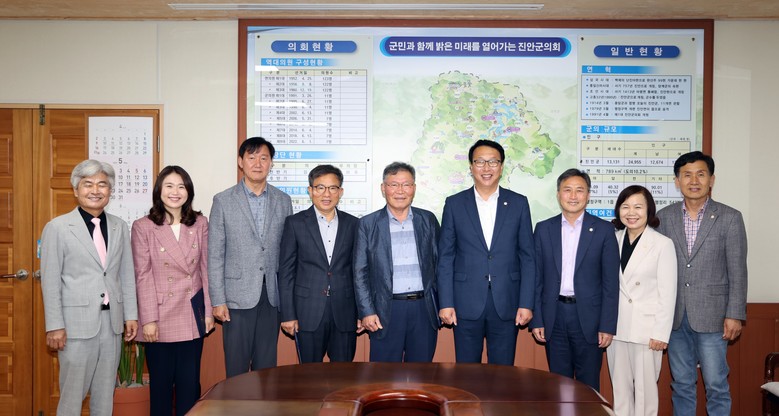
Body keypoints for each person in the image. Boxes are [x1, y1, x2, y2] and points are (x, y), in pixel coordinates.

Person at [40, 159, 138, 416]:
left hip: (111, 324)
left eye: (102, 184)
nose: (96, 190)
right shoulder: (58, 228)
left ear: (110, 191)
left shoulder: (119, 226)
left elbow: (126, 274)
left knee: (105, 397)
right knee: (72, 397)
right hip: (75, 326)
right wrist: (54, 325)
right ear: (76, 190)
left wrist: (131, 315)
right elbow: (50, 281)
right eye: (88, 184)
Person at [656, 151, 747, 415]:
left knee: (717, 385)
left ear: (711, 179)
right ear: (677, 181)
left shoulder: (730, 217)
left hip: (714, 317)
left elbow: (738, 269)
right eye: (687, 175)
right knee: (682, 384)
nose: (694, 181)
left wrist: (735, 314)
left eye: (701, 174)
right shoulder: (664, 217)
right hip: (675, 317)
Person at [437, 139, 536, 365]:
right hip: (465, 301)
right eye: (480, 161)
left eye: (493, 162)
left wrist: (526, 303)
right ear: (471, 167)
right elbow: (446, 257)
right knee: (467, 371)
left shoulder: (518, 203)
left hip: (507, 301)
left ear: (501, 167)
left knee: (503, 373)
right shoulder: (454, 204)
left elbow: (528, 257)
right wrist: (446, 302)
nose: (486, 168)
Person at [131, 165, 214, 415]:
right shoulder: (143, 226)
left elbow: (206, 269)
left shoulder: (200, 223)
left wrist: (208, 312)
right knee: (161, 388)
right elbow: (142, 275)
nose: (175, 192)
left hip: (191, 314)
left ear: (189, 192)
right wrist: (149, 320)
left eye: (181, 186)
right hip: (159, 315)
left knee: (190, 385)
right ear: (159, 190)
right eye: (169, 186)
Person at [208, 136, 293, 376]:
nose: (258, 163)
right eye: (252, 157)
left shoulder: (283, 200)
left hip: (271, 297)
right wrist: (218, 300)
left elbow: (288, 253)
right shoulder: (223, 200)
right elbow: (215, 254)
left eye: (264, 158)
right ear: (240, 162)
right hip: (236, 298)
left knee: (266, 369)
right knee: (236, 369)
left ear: (271, 163)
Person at [530, 168, 619, 391]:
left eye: (579, 190)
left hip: (589, 318)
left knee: (588, 386)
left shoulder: (604, 230)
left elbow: (610, 284)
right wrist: (537, 319)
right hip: (554, 316)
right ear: (558, 194)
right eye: (567, 190)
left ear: (588, 195)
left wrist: (607, 325)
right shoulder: (543, 229)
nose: (573, 196)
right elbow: (536, 278)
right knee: (558, 384)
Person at [353, 162, 440, 362]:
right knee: (383, 375)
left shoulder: (427, 220)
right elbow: (360, 273)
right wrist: (367, 311)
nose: (400, 191)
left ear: (414, 188)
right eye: (393, 185)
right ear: (383, 188)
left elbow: (439, 264)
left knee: (421, 373)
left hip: (423, 309)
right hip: (385, 310)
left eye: (406, 184)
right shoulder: (368, 224)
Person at [278, 164, 360, 362]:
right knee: (309, 374)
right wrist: (288, 314)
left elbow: (358, 271)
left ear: (340, 192)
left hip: (345, 311)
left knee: (344, 374)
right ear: (310, 190)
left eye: (332, 188)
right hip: (307, 312)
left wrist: (362, 312)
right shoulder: (295, 223)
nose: (326, 194)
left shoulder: (354, 224)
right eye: (320, 187)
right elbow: (286, 272)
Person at [607, 185, 677, 416]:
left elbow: (668, 292)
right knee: (620, 390)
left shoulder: (662, 244)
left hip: (647, 331)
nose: (631, 212)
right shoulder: (612, 239)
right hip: (616, 328)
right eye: (625, 206)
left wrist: (661, 333)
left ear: (649, 210)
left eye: (638, 207)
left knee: (646, 394)